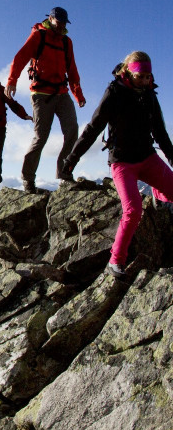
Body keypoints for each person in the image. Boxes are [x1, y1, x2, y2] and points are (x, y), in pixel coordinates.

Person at [63, 51, 173, 278]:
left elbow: (160, 132)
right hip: (122, 162)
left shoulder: (150, 95)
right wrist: (70, 160)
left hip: (147, 157)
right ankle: (116, 261)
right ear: (129, 73)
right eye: (141, 76)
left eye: (148, 76)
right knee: (133, 210)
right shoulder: (114, 93)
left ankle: (160, 198)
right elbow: (93, 128)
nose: (145, 80)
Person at [4, 6, 86, 193]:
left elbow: (72, 69)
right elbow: (20, 57)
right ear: (50, 19)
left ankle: (64, 174)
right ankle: (27, 179)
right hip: (41, 94)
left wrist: (78, 94)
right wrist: (12, 80)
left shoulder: (67, 42)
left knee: (72, 130)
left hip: (61, 93)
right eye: (59, 22)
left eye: (64, 23)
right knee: (41, 137)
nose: (62, 26)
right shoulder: (39, 36)